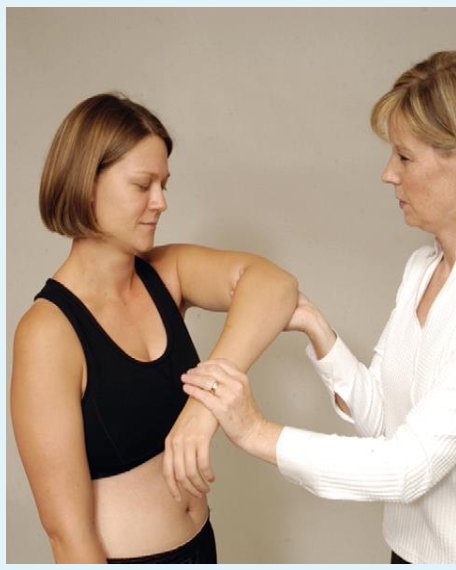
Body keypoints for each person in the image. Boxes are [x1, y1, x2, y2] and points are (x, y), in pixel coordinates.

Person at [181, 50, 456, 565]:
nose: (388, 174)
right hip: (405, 554)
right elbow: (383, 421)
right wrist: (319, 332)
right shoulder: (422, 269)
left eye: (404, 158)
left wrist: (257, 432)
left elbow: (406, 468)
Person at [10, 93, 299, 564]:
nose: (160, 203)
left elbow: (276, 286)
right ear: (86, 185)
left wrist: (203, 406)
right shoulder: (48, 332)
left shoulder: (166, 273)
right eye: (143, 185)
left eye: (164, 185)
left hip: (203, 546)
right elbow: (68, 536)